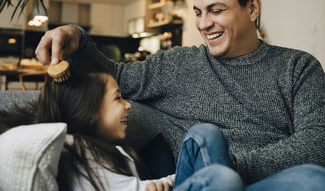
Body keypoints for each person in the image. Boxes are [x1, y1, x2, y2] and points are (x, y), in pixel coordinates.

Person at [35, 0, 325, 190]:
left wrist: (233, 166)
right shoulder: (178, 65)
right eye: (198, 12)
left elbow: (324, 144)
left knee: (317, 181)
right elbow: (116, 77)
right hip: (203, 184)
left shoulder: (298, 67)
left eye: (216, 10)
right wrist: (75, 35)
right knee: (208, 140)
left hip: (259, 184)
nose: (203, 24)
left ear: (252, 8)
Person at [0, 61, 244, 191]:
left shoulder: (114, 149)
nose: (128, 106)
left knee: (205, 133)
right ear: (89, 110)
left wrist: (162, 183)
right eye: (118, 98)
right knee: (222, 179)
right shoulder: (76, 148)